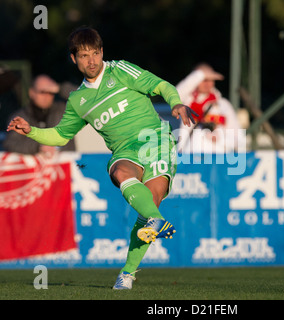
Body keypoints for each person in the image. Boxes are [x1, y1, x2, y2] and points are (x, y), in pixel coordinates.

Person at [7, 27, 196, 290]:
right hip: (124, 151)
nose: (92, 60)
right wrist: (32, 131)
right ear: (74, 59)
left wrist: (175, 102)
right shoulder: (77, 100)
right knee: (120, 173)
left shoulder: (119, 70)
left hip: (156, 141)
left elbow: (159, 85)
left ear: (102, 52)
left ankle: (127, 272)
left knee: (149, 205)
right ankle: (154, 220)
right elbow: (61, 136)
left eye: (95, 53)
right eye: (84, 55)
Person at [176, 63, 246, 153]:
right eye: (203, 79)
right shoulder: (188, 102)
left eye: (210, 79)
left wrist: (220, 139)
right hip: (190, 159)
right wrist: (199, 74)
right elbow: (175, 94)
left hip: (218, 161)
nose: (207, 83)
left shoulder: (223, 105)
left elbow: (239, 139)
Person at [3, 74, 76, 156]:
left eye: (51, 92)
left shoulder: (64, 110)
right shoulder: (20, 116)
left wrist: (60, 88)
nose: (47, 96)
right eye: (42, 92)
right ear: (31, 93)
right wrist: (38, 147)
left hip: (65, 166)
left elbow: (86, 101)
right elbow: (10, 144)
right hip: (34, 168)